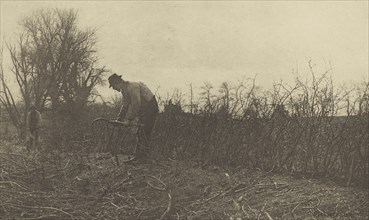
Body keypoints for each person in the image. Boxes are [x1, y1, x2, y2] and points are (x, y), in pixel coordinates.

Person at [108, 73, 159, 162]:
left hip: (151, 108)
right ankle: (139, 156)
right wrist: (119, 118)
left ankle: (144, 158)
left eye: (113, 86)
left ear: (117, 82)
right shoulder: (124, 90)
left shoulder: (132, 86)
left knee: (144, 132)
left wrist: (129, 120)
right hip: (144, 110)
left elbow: (136, 104)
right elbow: (125, 105)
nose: (113, 88)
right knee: (139, 133)